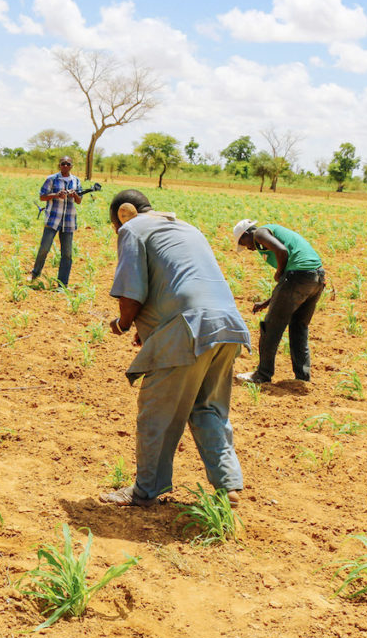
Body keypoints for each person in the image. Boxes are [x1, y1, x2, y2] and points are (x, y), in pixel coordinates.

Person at [99, 190, 250, 508]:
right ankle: (228, 486)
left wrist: (125, 323)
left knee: (157, 411)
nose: (117, 231)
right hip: (227, 324)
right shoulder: (186, 227)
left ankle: (146, 490)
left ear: (124, 214)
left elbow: (132, 292)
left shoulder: (132, 228)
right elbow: (178, 280)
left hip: (188, 326)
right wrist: (150, 328)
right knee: (207, 407)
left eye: (115, 225)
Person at [232, 219, 325, 384]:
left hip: (299, 276)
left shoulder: (260, 233)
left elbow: (282, 253)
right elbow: (289, 288)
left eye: (243, 243)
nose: (248, 248)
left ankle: (262, 374)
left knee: (270, 327)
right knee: (299, 327)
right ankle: (302, 377)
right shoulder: (269, 236)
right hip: (316, 278)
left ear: (247, 234)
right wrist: (268, 302)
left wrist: (279, 273)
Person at [28, 156, 81, 287]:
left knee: (67, 254)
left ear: (71, 166)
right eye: (63, 164)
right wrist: (57, 195)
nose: (66, 166)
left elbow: (79, 201)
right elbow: (42, 196)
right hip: (53, 219)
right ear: (59, 165)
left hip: (68, 222)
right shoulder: (51, 179)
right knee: (44, 248)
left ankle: (62, 283)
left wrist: (74, 194)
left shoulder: (76, 181)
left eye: (68, 164)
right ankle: (35, 273)